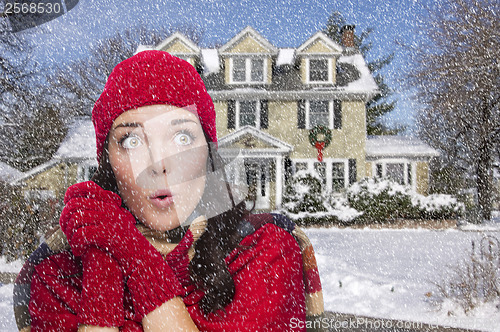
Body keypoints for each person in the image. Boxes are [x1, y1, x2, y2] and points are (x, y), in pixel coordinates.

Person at [13, 50, 324, 331]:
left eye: (182, 138)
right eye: (131, 141)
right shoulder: (57, 273)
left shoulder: (265, 249)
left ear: (208, 155)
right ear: (108, 164)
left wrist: (135, 258)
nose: (159, 164)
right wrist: (103, 261)